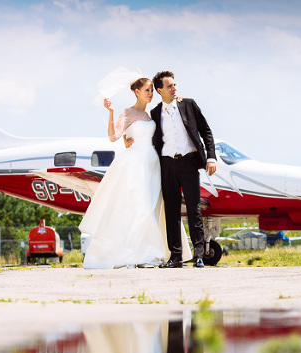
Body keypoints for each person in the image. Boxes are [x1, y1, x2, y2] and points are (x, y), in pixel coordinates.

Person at [78, 78, 168, 269]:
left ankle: (145, 253)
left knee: (151, 208)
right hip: (135, 164)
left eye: (152, 90)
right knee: (141, 208)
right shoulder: (127, 113)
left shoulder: (151, 114)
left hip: (153, 164)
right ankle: (138, 255)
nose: (150, 93)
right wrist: (111, 112)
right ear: (137, 91)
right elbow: (113, 136)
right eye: (147, 90)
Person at [151, 71, 217, 269]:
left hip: (189, 162)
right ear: (159, 90)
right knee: (171, 212)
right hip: (167, 165)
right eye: (169, 86)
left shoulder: (188, 104)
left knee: (194, 210)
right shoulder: (154, 113)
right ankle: (175, 257)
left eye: (174, 85)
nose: (174, 88)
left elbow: (206, 131)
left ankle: (199, 256)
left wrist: (211, 157)